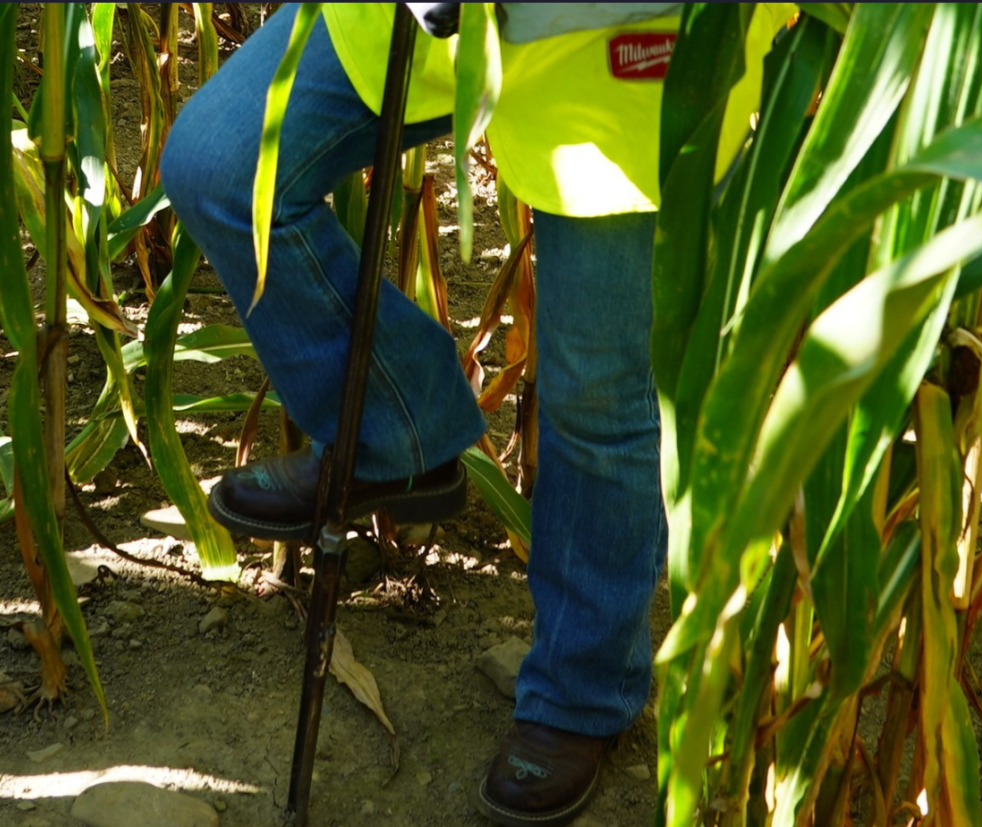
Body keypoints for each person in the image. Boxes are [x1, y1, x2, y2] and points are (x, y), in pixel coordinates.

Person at [160, 4, 789, 825]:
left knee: (595, 389)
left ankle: (582, 689)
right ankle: (400, 428)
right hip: (415, 19)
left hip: (614, 44)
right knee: (223, 163)